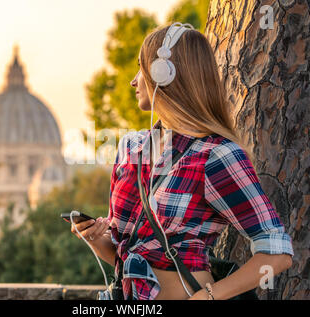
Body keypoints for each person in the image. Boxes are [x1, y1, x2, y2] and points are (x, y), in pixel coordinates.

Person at [71, 23, 294, 300]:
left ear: (163, 73)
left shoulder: (216, 155)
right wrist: (94, 236)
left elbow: (278, 254)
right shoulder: (131, 149)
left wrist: (209, 297)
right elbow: (124, 253)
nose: (133, 81)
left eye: (141, 68)